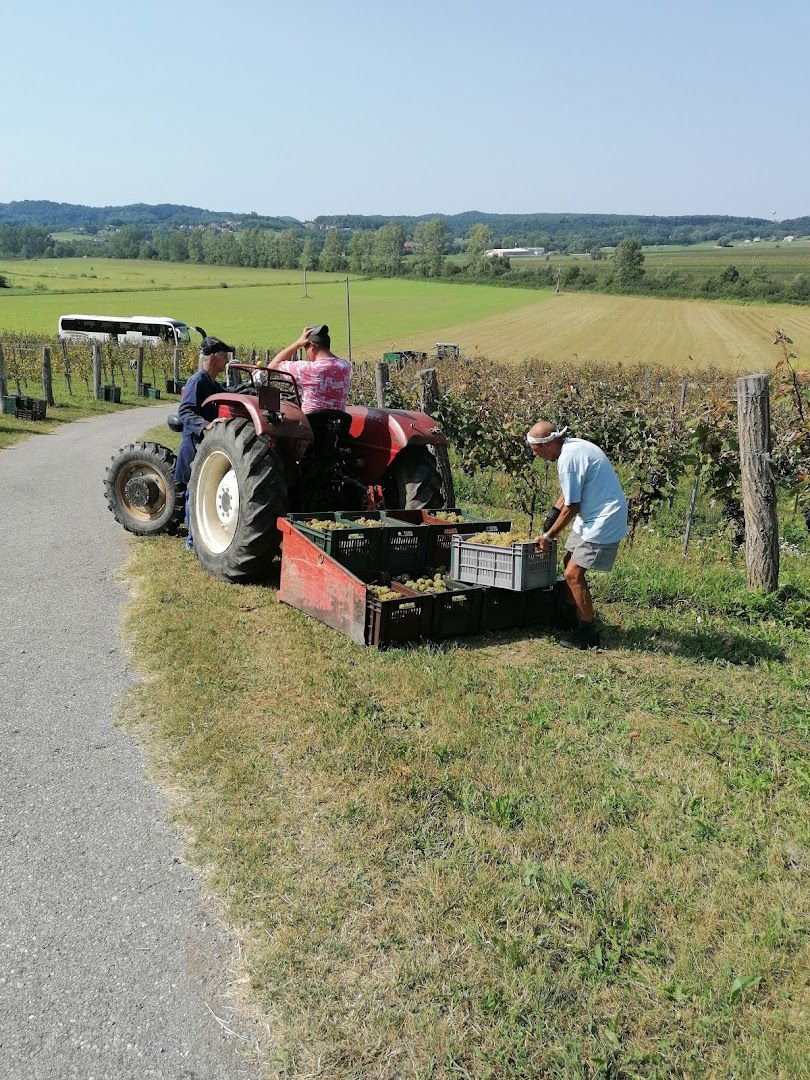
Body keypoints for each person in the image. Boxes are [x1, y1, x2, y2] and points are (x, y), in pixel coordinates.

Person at [528, 420, 628, 650]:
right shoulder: (573, 447)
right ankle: (568, 616)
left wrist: (550, 535)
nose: (535, 455)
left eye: (536, 451)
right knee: (568, 561)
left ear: (548, 444)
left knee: (573, 573)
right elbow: (569, 490)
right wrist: (553, 514)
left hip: (604, 519)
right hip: (592, 515)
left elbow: (572, 505)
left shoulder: (568, 460)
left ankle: (587, 632)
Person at [173, 336, 233, 487]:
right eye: (224, 356)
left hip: (205, 445)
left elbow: (225, 393)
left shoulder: (212, 383)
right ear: (213, 357)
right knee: (189, 492)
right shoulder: (197, 381)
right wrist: (206, 425)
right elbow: (185, 411)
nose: (226, 361)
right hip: (193, 446)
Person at [267, 324, 351, 412]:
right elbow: (335, 360)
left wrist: (298, 343)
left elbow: (272, 366)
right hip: (338, 423)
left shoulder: (307, 368)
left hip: (311, 423)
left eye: (305, 349)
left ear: (312, 347)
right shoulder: (345, 366)